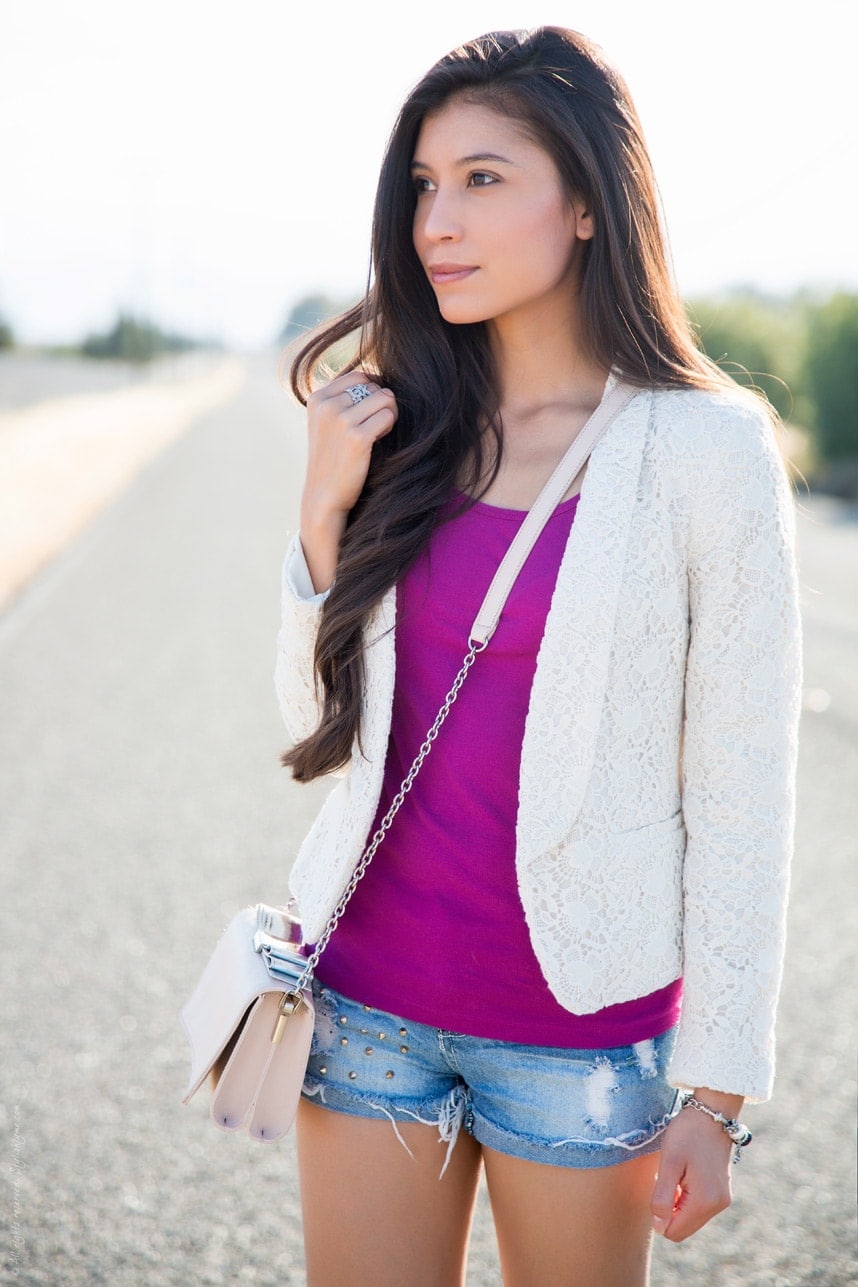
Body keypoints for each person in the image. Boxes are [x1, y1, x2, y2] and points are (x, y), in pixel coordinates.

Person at [274, 27, 802, 1286]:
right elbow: (305, 727)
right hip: (365, 1013)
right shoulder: (398, 425)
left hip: (578, 1038)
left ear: (584, 201)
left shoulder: (706, 453)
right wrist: (319, 515)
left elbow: (743, 788)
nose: (436, 222)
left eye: (483, 179)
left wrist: (717, 1094)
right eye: (422, 184)